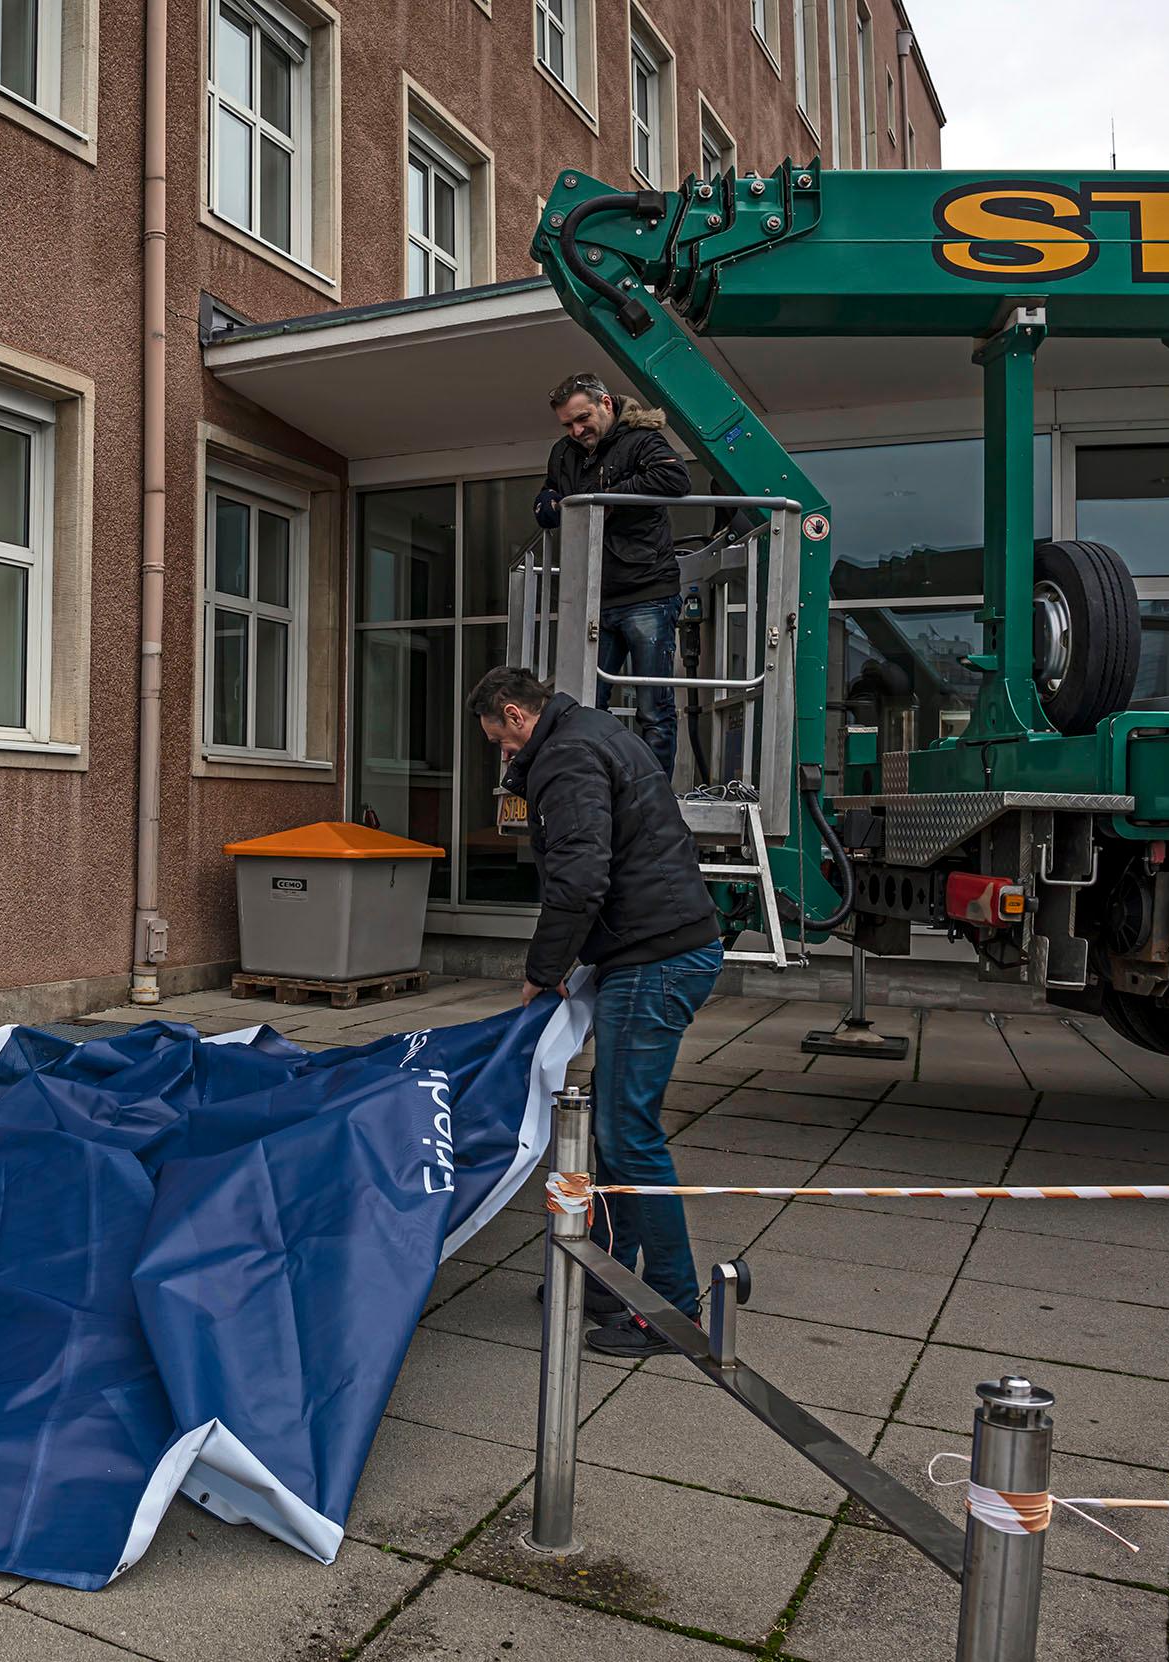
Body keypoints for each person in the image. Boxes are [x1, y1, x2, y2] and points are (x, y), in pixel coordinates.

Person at [470, 664, 723, 1358]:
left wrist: (541, 973)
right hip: (655, 950)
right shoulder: (590, 733)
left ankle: (672, 1311)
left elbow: (581, 877)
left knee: (629, 1132)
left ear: (518, 715)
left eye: (501, 741)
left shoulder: (566, 756)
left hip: (654, 959)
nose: (504, 755)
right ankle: (608, 1279)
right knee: (613, 1130)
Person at [532, 372, 692, 780]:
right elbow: (550, 494)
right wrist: (549, 505)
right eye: (567, 424)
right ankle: (592, 784)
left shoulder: (640, 439)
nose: (577, 430)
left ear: (606, 404)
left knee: (653, 707)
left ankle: (652, 791)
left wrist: (605, 502)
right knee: (585, 705)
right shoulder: (564, 452)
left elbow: (675, 478)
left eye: (582, 418)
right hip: (593, 595)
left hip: (647, 591)